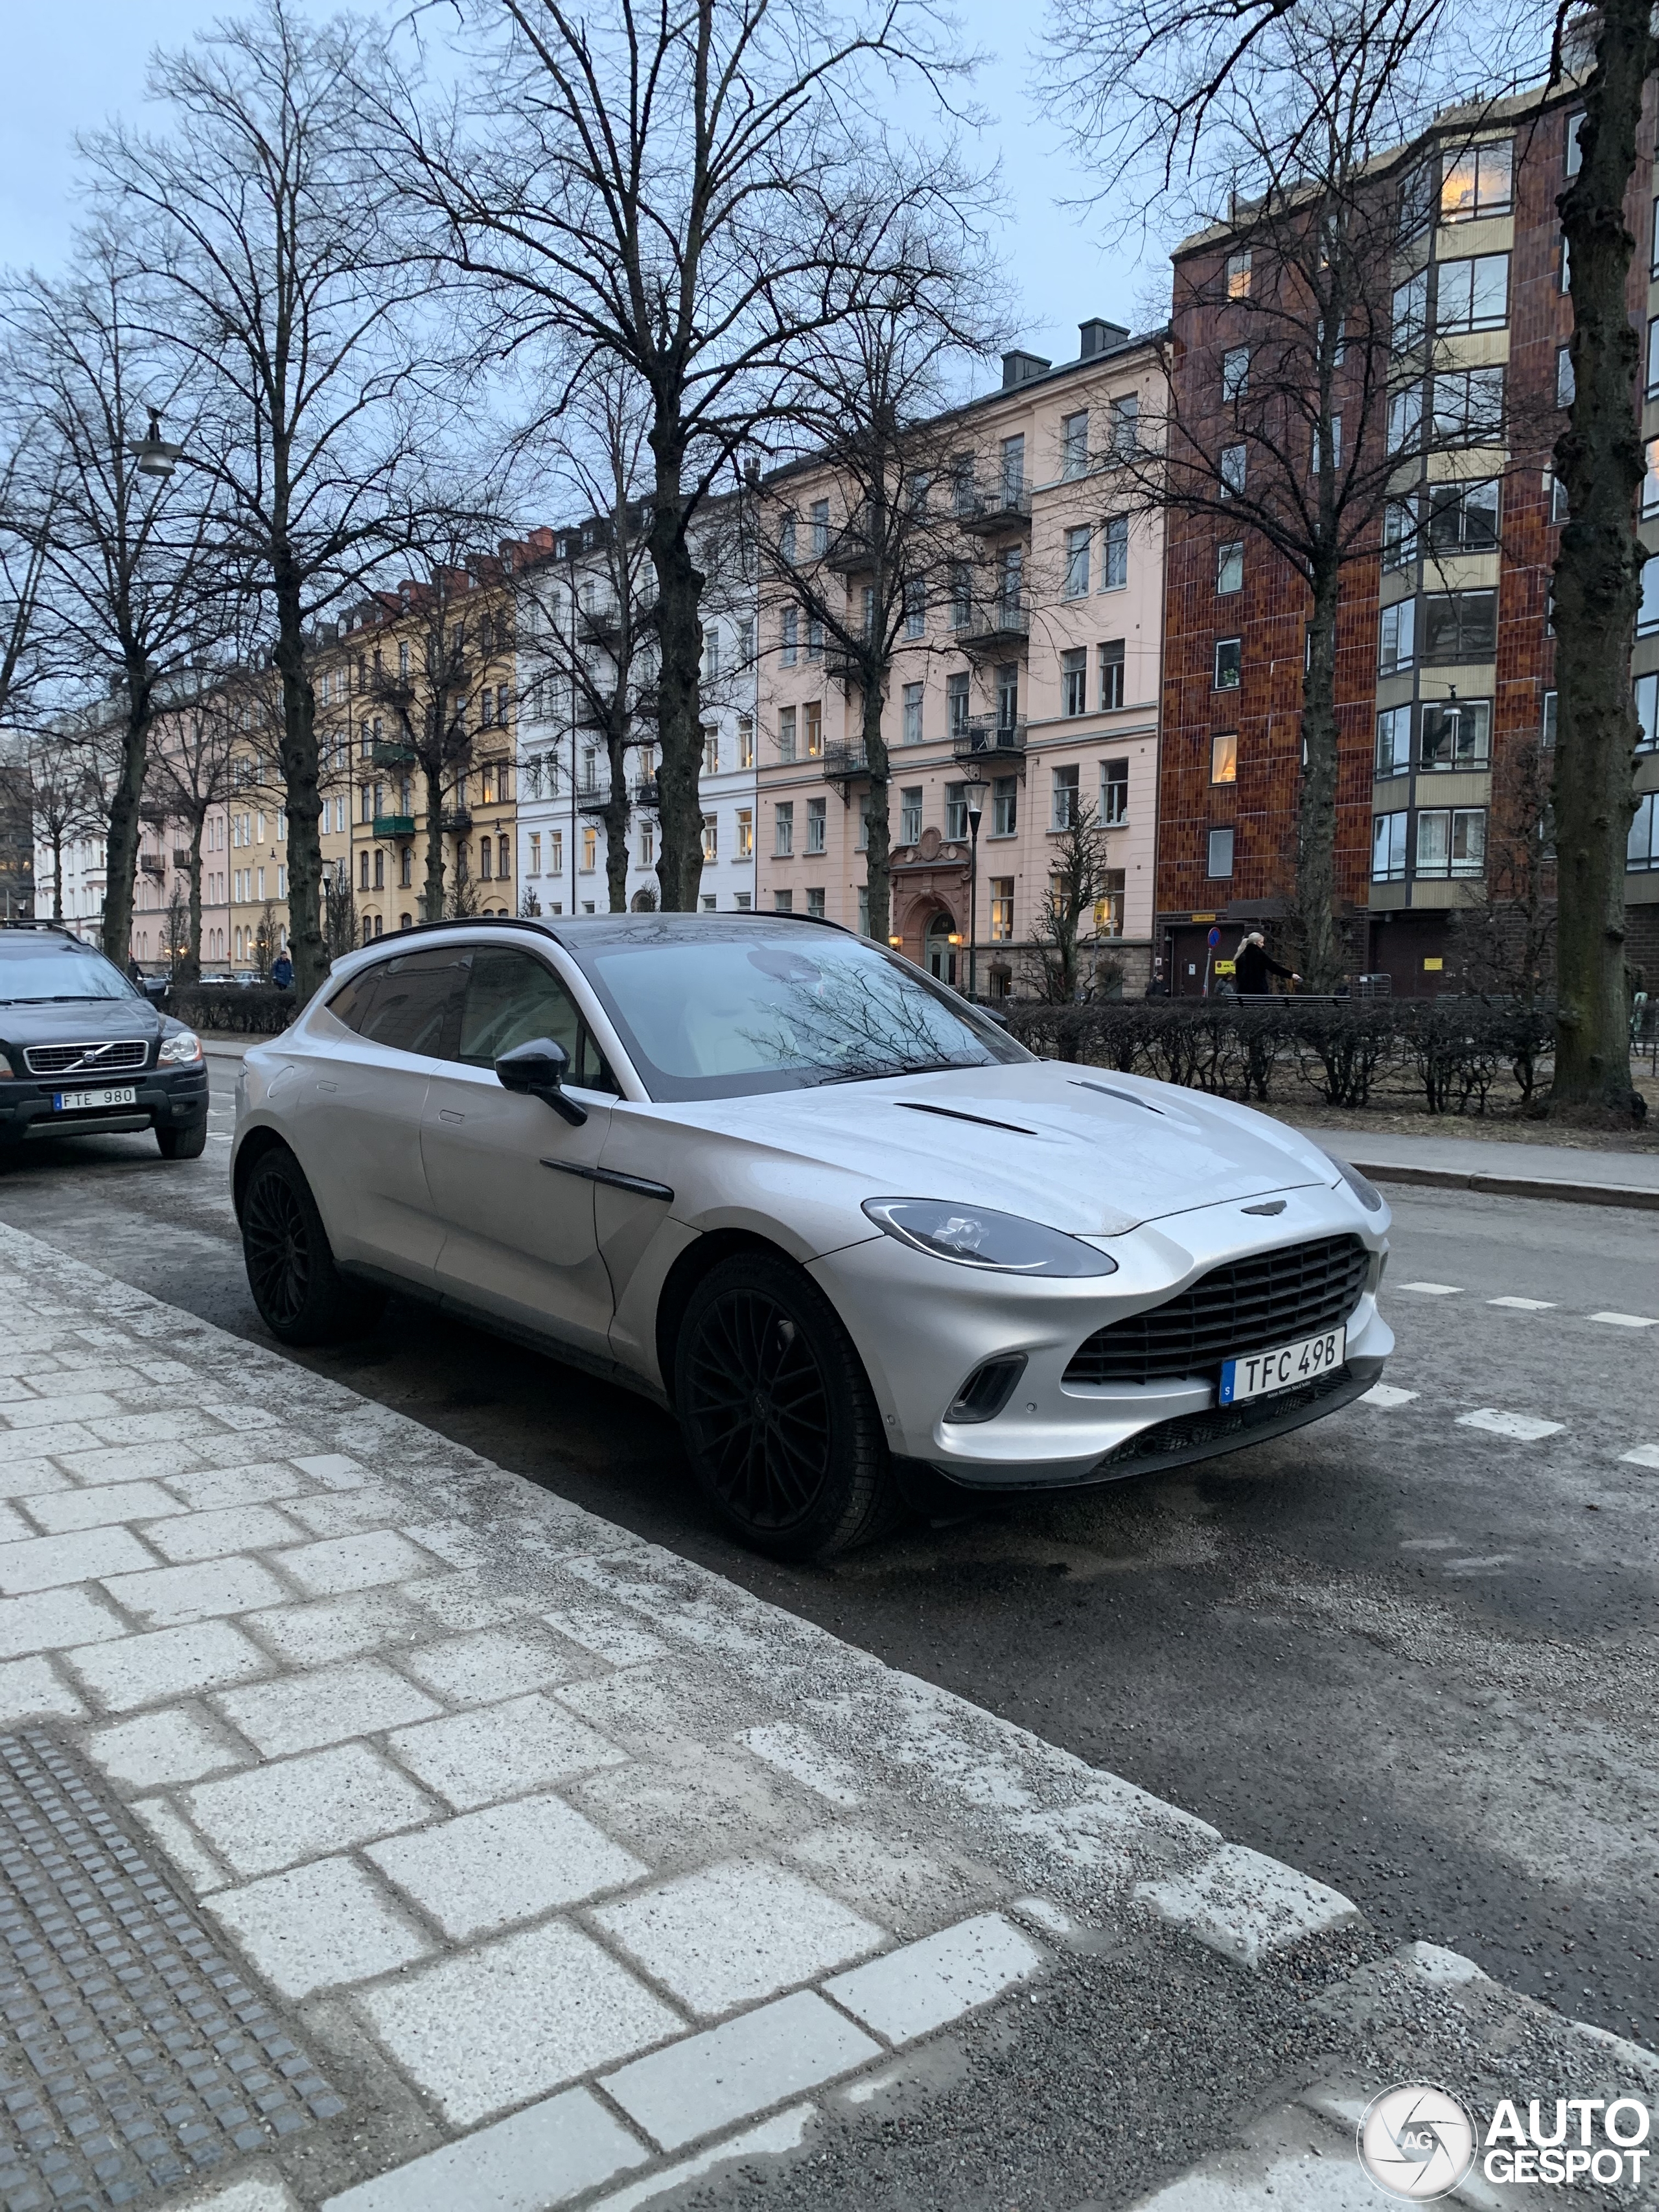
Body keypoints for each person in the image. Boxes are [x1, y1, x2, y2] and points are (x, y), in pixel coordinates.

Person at [1233, 931, 1300, 996]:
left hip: (1242, 993)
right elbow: (1274, 968)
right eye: (1261, 942)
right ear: (1255, 943)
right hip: (1258, 992)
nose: (1263, 945)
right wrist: (1291, 975)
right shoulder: (1258, 954)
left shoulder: (1241, 955)